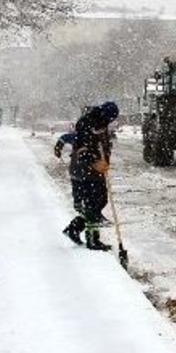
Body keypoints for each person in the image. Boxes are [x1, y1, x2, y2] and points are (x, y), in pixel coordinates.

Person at [55, 102, 118, 251]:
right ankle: (92, 240)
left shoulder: (99, 123)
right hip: (85, 171)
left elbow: (100, 146)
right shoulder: (88, 124)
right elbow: (83, 148)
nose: (111, 121)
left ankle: (74, 228)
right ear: (106, 115)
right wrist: (94, 162)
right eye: (111, 118)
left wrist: (104, 160)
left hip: (93, 170)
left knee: (100, 200)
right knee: (93, 203)